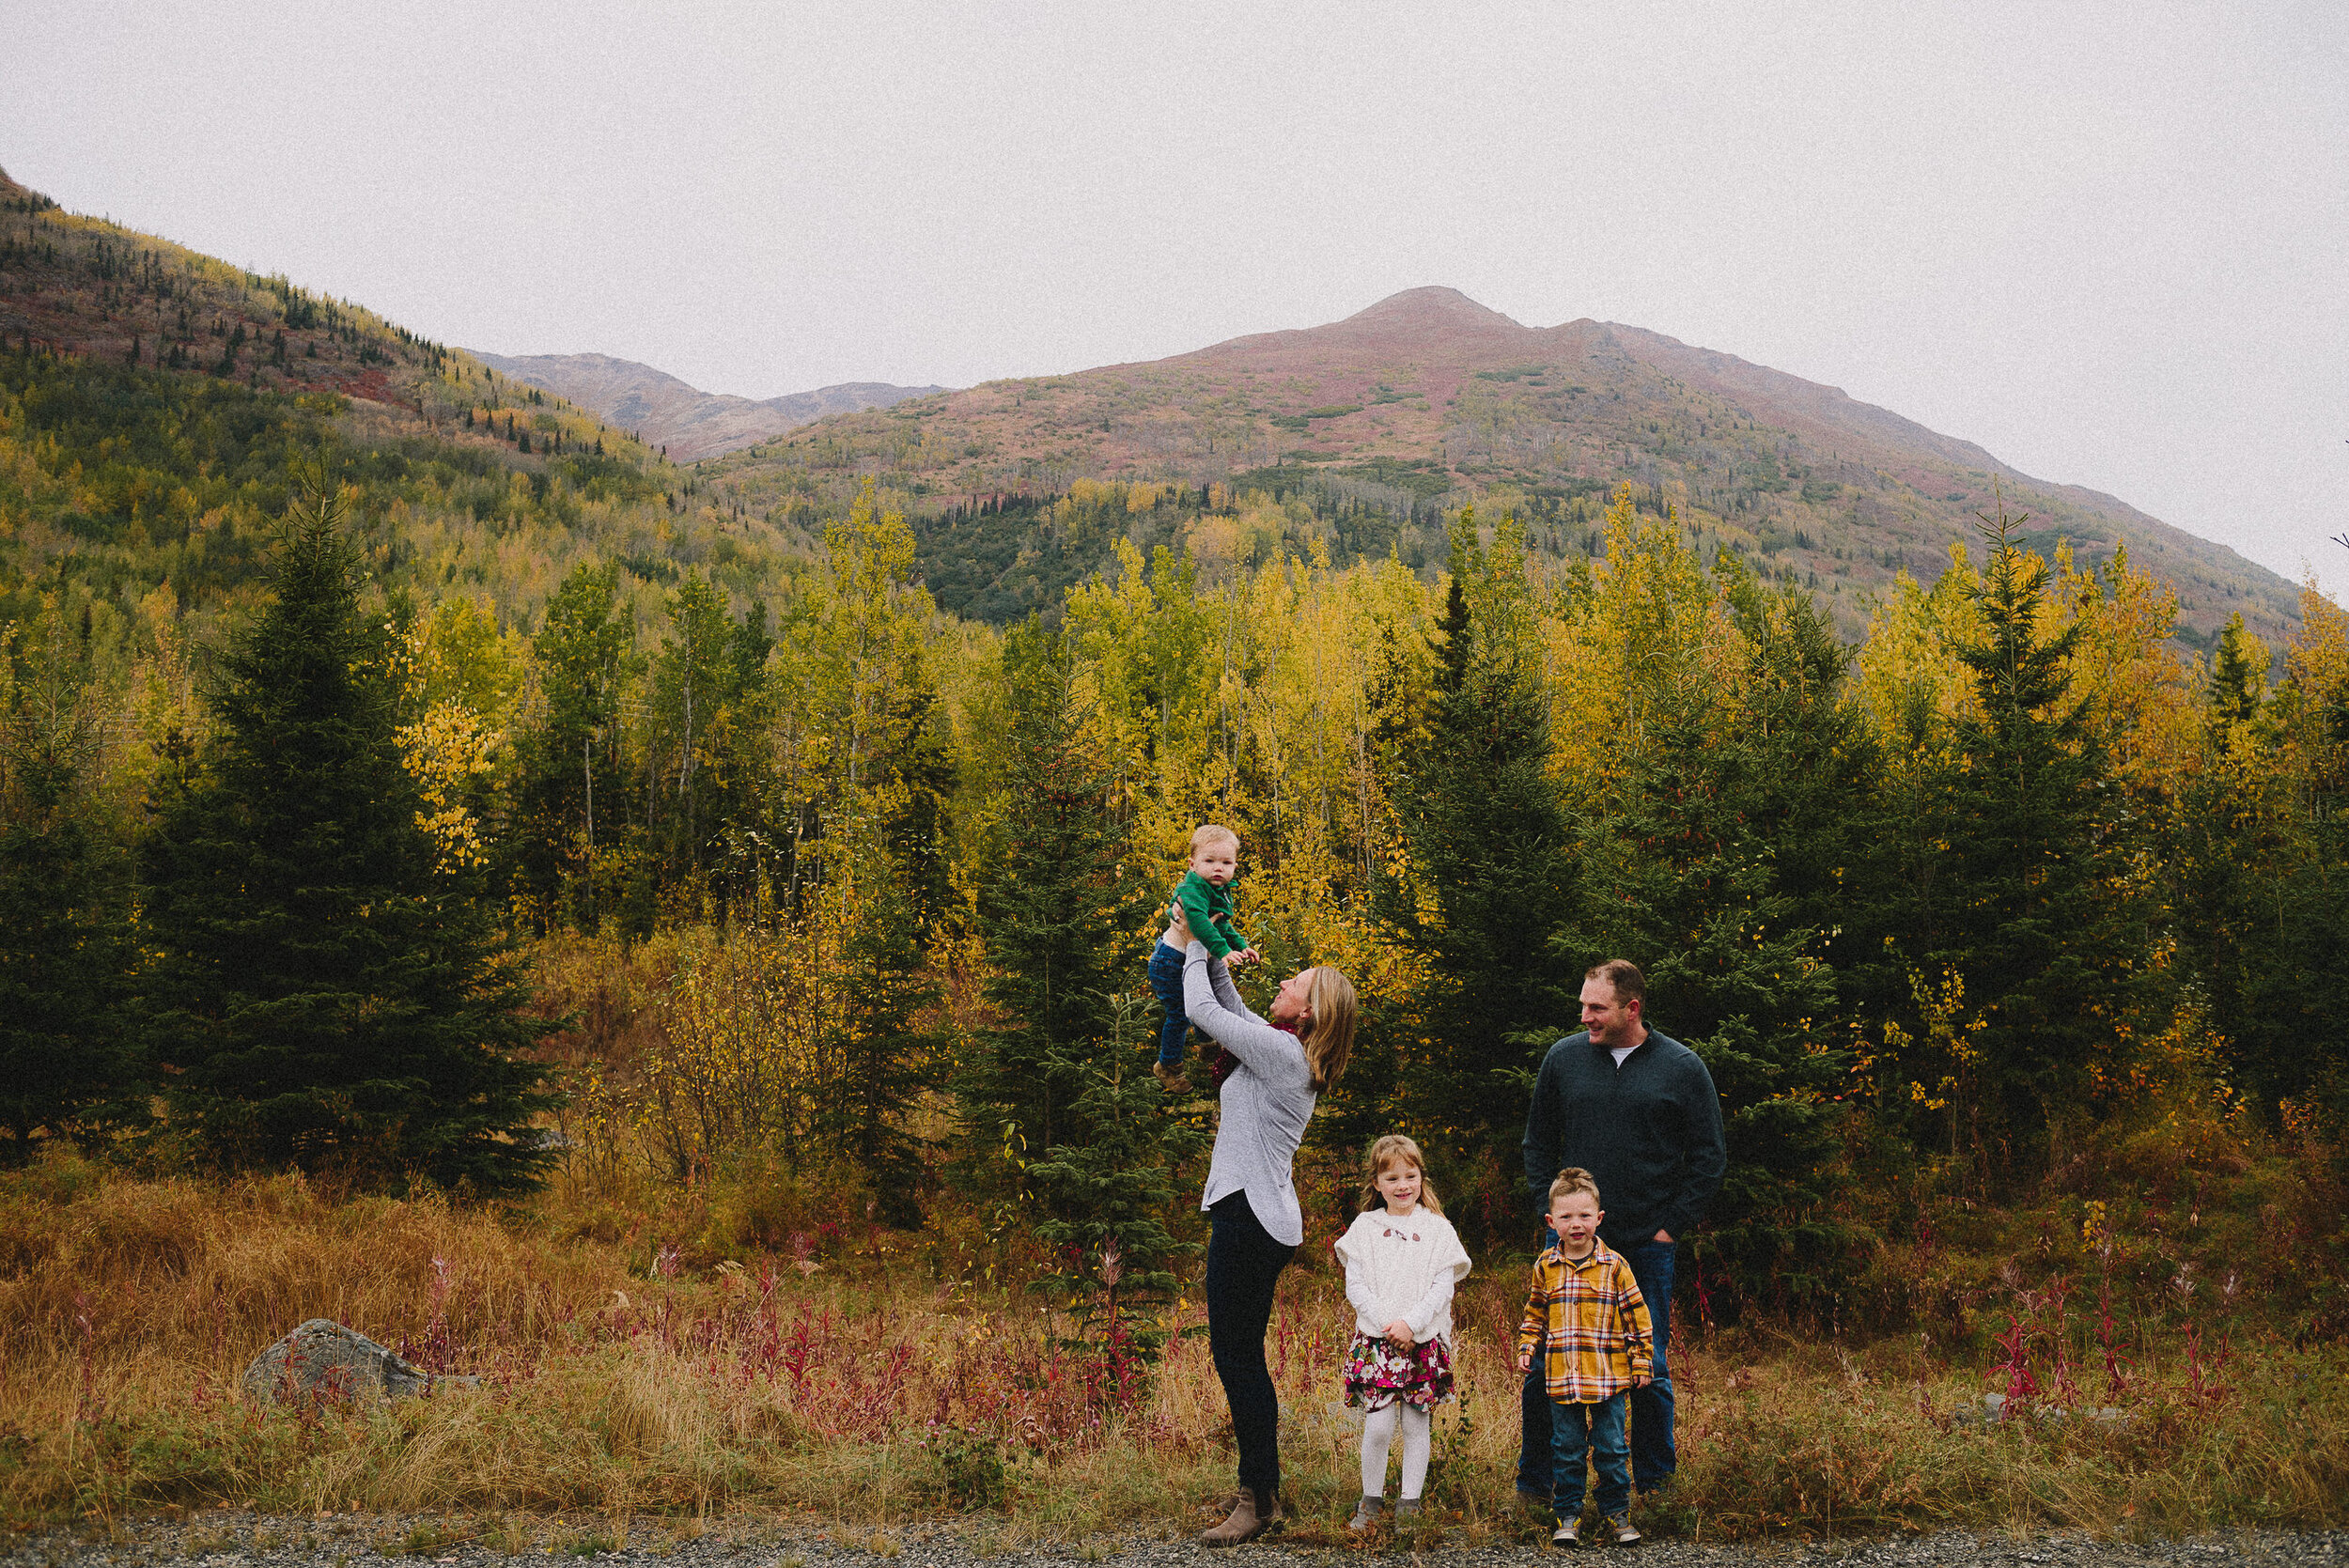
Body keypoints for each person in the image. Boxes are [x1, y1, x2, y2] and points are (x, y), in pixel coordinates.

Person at [1174, 915, 1357, 1547]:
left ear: (1310, 1012)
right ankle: (1262, 1489)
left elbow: (1201, 1005)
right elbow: (1229, 1001)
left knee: (1239, 1361)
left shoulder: (1282, 1053)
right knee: (1241, 1358)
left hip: (1251, 1217)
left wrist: (1192, 935)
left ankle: (1259, 1498)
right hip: (1256, 1213)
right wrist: (1216, 939)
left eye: (1295, 982)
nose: (1282, 979)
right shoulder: (1283, 1046)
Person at [1517, 958, 1724, 1507]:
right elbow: (1537, 1145)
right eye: (1583, 1005)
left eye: (1596, 1008)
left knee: (1649, 1367)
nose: (1583, 1015)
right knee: (1546, 1363)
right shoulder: (1564, 1059)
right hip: (1569, 1246)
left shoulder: (1681, 1067)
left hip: (1645, 1247)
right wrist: (1552, 1214)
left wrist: (1669, 1228)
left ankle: (1653, 1485)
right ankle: (1538, 1486)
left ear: (1632, 1008)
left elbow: (1709, 1157)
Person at [1332, 1134, 1471, 1532]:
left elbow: (1443, 1287)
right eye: (1391, 1179)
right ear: (1376, 1184)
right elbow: (1356, 1287)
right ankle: (1370, 1501)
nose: (1402, 1186)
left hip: (1421, 1342)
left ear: (1421, 1177)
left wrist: (1412, 1325)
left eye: (1410, 1176)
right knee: (1377, 1426)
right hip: (1377, 1343)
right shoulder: (1365, 1227)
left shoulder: (1438, 1230)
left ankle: (1409, 1503)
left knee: (1415, 1424)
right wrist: (1388, 1325)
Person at [1516, 1167, 1653, 1548]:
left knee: (1611, 1448)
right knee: (1568, 1448)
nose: (1576, 1224)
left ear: (1599, 1218)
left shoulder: (1615, 1266)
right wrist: (1528, 1347)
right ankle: (1568, 1514)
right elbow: (1535, 1313)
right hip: (1563, 1378)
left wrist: (1642, 1363)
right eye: (1566, 1217)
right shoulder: (1546, 1266)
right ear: (1551, 1221)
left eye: (1584, 1216)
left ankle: (1616, 1514)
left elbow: (1638, 1318)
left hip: (1608, 1378)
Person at [1150, 824, 1261, 1093]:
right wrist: (1223, 951)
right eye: (1209, 861)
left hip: (1190, 958)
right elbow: (1199, 924)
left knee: (1206, 999)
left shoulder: (1219, 891)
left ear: (1235, 865)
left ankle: (1207, 1044)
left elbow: (1222, 924)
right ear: (1192, 864)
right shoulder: (1193, 890)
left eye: (1226, 862)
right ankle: (1169, 1066)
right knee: (1180, 1015)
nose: (1218, 868)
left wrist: (1241, 945)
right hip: (1170, 961)